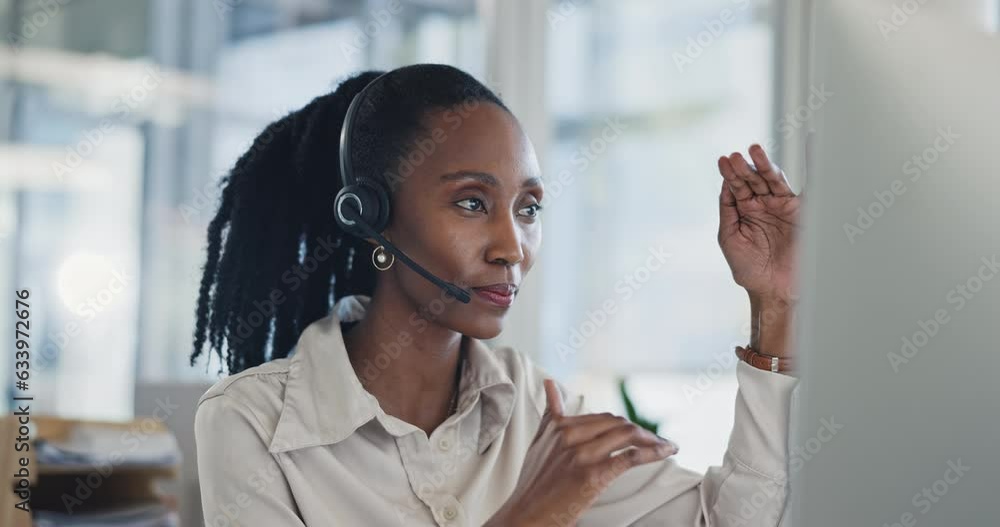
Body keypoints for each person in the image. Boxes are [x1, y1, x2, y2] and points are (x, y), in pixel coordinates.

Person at [190, 63, 801, 526]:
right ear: (372, 217)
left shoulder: (540, 409)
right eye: (472, 203)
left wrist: (772, 305)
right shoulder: (250, 423)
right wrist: (534, 512)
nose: (513, 247)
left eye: (528, 207)